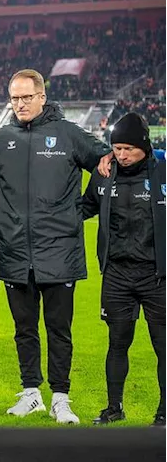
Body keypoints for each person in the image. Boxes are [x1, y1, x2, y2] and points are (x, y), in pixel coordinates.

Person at [0, 69, 111, 424]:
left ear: (42, 96)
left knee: (59, 330)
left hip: (58, 252)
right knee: (24, 329)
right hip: (15, 251)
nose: (20, 104)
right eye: (14, 98)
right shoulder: (2, 137)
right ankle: (31, 394)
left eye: (27, 97)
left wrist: (80, 209)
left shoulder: (69, 134)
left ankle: (61, 397)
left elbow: (106, 163)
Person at [78, 112, 167, 428]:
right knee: (117, 343)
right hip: (116, 275)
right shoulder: (105, 174)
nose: (122, 155)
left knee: (163, 346)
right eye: (117, 148)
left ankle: (164, 412)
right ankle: (113, 408)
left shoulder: (163, 172)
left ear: (144, 145)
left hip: (158, 277)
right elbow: (85, 207)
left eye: (129, 148)